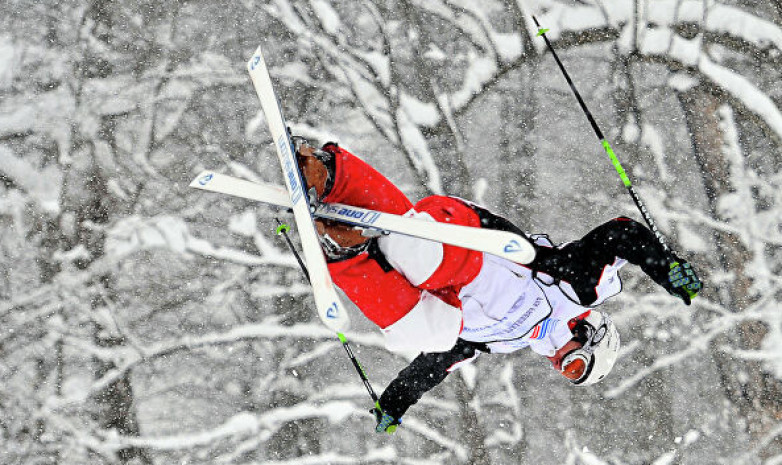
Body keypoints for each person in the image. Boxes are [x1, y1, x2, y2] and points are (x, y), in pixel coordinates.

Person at [292, 137, 702, 434]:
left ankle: (344, 250)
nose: (560, 367)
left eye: (568, 375)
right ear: (590, 335)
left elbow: (436, 365)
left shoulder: (504, 342)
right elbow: (622, 235)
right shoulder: (578, 291)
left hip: (431, 282)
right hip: (464, 239)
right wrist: (667, 268)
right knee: (418, 259)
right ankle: (329, 172)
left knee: (419, 336)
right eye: (575, 363)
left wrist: (396, 399)